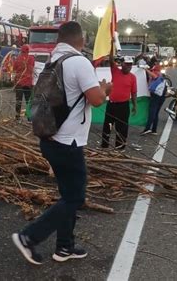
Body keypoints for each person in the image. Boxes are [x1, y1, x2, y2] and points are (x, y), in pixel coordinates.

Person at [12, 21, 111, 265]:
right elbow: (96, 100)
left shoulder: (53, 62)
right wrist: (104, 88)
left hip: (50, 137)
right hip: (68, 141)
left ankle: (64, 247)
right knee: (75, 197)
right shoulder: (79, 62)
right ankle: (28, 237)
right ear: (81, 39)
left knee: (68, 194)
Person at [101, 50, 137, 150]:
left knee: (122, 127)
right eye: (127, 64)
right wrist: (112, 47)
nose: (129, 67)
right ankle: (104, 145)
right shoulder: (115, 71)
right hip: (112, 105)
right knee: (108, 125)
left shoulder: (132, 77)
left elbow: (133, 92)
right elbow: (111, 60)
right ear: (122, 64)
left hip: (124, 106)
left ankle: (120, 147)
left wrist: (135, 105)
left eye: (130, 65)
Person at [141, 58, 167, 135]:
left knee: (152, 112)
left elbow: (154, 76)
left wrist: (146, 70)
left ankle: (147, 128)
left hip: (156, 96)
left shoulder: (157, 74)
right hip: (161, 96)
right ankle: (154, 130)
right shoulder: (162, 75)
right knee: (156, 113)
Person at [13, 44, 35, 121]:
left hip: (19, 82)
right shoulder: (31, 58)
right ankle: (29, 118)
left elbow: (14, 68)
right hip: (28, 82)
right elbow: (33, 67)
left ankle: (17, 117)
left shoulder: (18, 58)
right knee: (28, 101)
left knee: (18, 100)